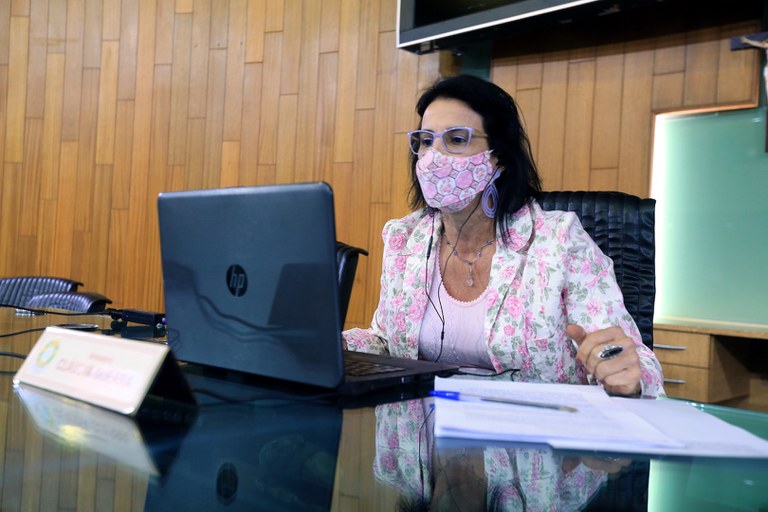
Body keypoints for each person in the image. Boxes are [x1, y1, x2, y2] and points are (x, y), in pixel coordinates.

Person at [342, 74, 664, 398]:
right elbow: (387, 342)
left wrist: (627, 376)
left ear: (501, 159)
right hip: (422, 425)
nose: (432, 157)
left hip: (532, 425)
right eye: (426, 141)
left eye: (456, 139)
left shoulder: (560, 242)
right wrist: (330, 344)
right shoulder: (404, 239)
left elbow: (629, 360)